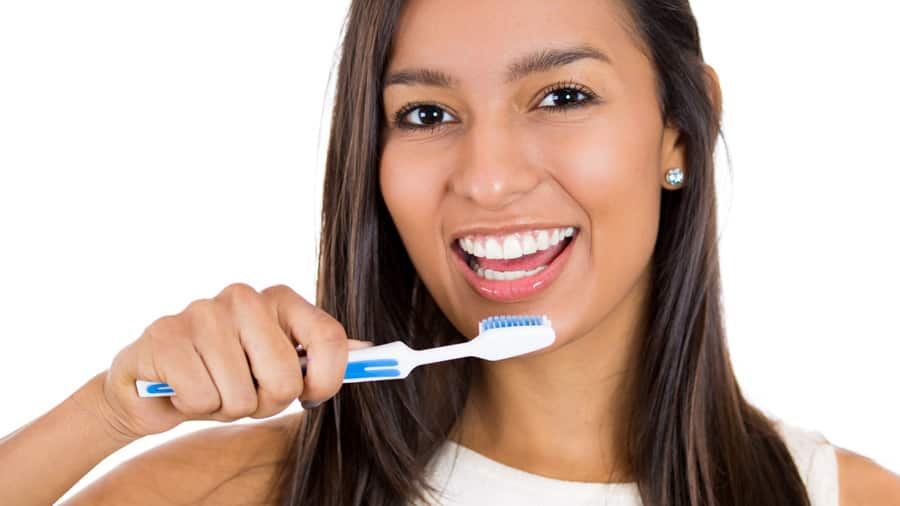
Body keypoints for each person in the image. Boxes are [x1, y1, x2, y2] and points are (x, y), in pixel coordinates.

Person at [2, 0, 898, 505]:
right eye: (426, 114)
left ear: (681, 127)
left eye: (562, 95)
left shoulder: (842, 498)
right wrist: (106, 415)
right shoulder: (235, 491)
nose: (490, 178)